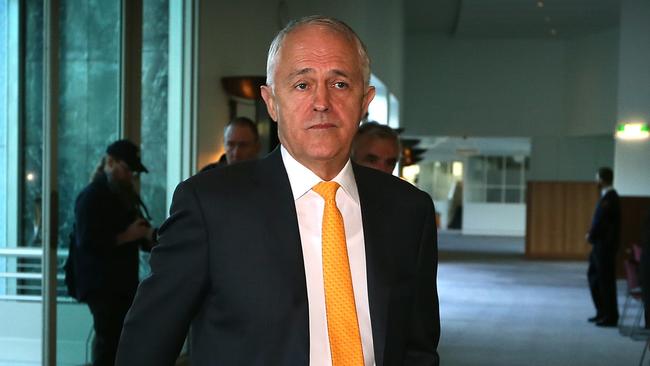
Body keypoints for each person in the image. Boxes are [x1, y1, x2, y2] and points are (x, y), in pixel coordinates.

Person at [116, 15, 439, 366]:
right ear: (271, 102)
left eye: (340, 84)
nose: (321, 102)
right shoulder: (210, 206)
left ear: (365, 100)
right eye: (302, 85)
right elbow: (146, 344)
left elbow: (417, 347)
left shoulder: (409, 210)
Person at [72, 139, 156, 366]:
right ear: (110, 163)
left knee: (118, 343)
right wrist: (127, 236)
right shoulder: (91, 197)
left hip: (119, 284)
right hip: (102, 286)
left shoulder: (120, 196)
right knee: (108, 344)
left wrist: (146, 236)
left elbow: (135, 232)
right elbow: (87, 241)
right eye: (127, 170)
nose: (130, 176)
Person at [586, 167, 621, 327]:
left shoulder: (610, 198)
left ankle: (610, 316)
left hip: (605, 247)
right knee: (594, 277)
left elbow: (601, 221)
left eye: (597, 178)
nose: (596, 181)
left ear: (602, 179)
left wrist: (591, 235)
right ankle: (601, 311)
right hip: (600, 246)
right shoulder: (606, 196)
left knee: (605, 282)